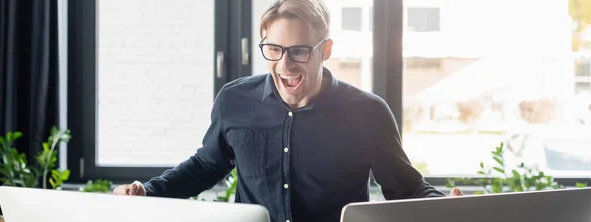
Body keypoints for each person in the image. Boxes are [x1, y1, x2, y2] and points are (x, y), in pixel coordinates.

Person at [114, 0, 463, 221]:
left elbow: (404, 187)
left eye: (299, 51)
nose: (286, 65)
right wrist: (149, 191)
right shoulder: (234, 100)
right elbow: (206, 165)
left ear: (325, 50)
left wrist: (449, 207)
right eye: (275, 50)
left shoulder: (368, 113)